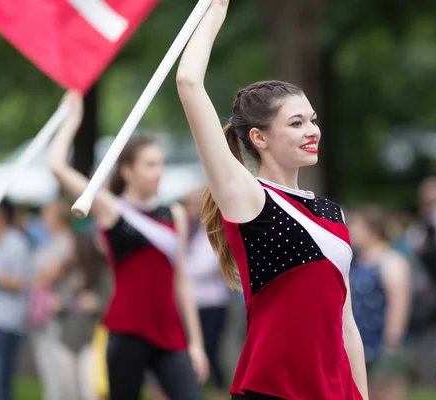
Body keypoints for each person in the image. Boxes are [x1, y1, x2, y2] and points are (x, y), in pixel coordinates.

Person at [175, 1, 368, 399]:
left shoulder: (332, 212)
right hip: (274, 388)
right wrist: (216, 11)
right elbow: (189, 83)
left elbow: (345, 322)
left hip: (335, 390)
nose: (311, 130)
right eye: (296, 123)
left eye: (312, 119)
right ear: (259, 138)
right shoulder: (248, 199)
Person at [48, 91, 208, 400]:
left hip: (170, 333)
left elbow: (182, 283)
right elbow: (57, 165)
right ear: (128, 171)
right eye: (150, 164)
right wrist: (73, 119)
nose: (158, 171)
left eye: (161, 163)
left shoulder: (173, 214)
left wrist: (196, 343)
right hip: (127, 330)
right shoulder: (111, 209)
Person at [347, 206, 411, 400]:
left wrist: (391, 343)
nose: (350, 232)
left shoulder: (391, 261)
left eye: (355, 227)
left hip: (381, 344)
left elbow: (399, 306)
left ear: (371, 230)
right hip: (358, 343)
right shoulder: (357, 261)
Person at [0, 198, 33, 400]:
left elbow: (22, 282)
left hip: (6, 323)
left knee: (0, 382)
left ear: (1, 215)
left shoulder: (16, 243)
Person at [50, 232, 111, 400]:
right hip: (67, 336)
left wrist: (96, 303)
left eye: (72, 248)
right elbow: (57, 299)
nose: (69, 252)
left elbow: (110, 301)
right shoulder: (67, 273)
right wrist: (66, 293)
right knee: (69, 389)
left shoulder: (101, 272)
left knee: (89, 388)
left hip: (91, 337)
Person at [184, 188, 231, 400]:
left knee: (211, 351)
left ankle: (219, 391)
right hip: (192, 303)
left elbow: (205, 266)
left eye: (194, 204)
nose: (190, 209)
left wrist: (179, 269)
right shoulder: (186, 230)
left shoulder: (211, 231)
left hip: (212, 303)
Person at [28, 199, 75, 400]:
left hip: (56, 314)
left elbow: (48, 275)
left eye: (46, 215)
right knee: (47, 369)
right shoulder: (50, 242)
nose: (43, 220)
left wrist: (31, 282)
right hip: (42, 313)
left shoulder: (67, 243)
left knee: (58, 370)